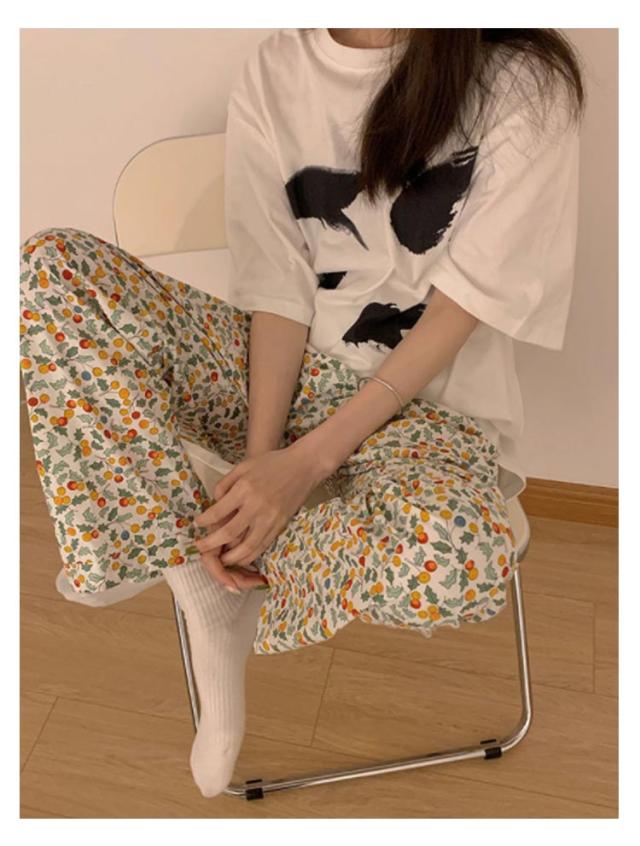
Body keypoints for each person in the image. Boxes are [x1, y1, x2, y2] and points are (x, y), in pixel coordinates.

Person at [19, 28, 585, 799]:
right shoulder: (276, 68)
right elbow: (277, 286)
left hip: (425, 419)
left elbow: (466, 304)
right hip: (283, 377)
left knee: (458, 556)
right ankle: (198, 572)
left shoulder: (524, 82)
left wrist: (304, 468)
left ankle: (240, 582)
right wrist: (262, 463)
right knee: (55, 268)